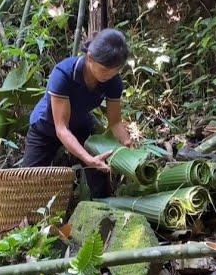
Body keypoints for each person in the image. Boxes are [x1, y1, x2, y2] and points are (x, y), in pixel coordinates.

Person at [20, 28, 134, 198]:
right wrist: (87, 158)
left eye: (114, 72)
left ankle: (104, 209)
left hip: (80, 125)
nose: (109, 76)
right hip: (47, 127)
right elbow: (61, 129)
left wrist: (127, 143)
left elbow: (115, 122)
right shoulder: (64, 73)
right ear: (90, 58)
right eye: (105, 70)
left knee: (99, 169)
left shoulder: (113, 81)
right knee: (29, 180)